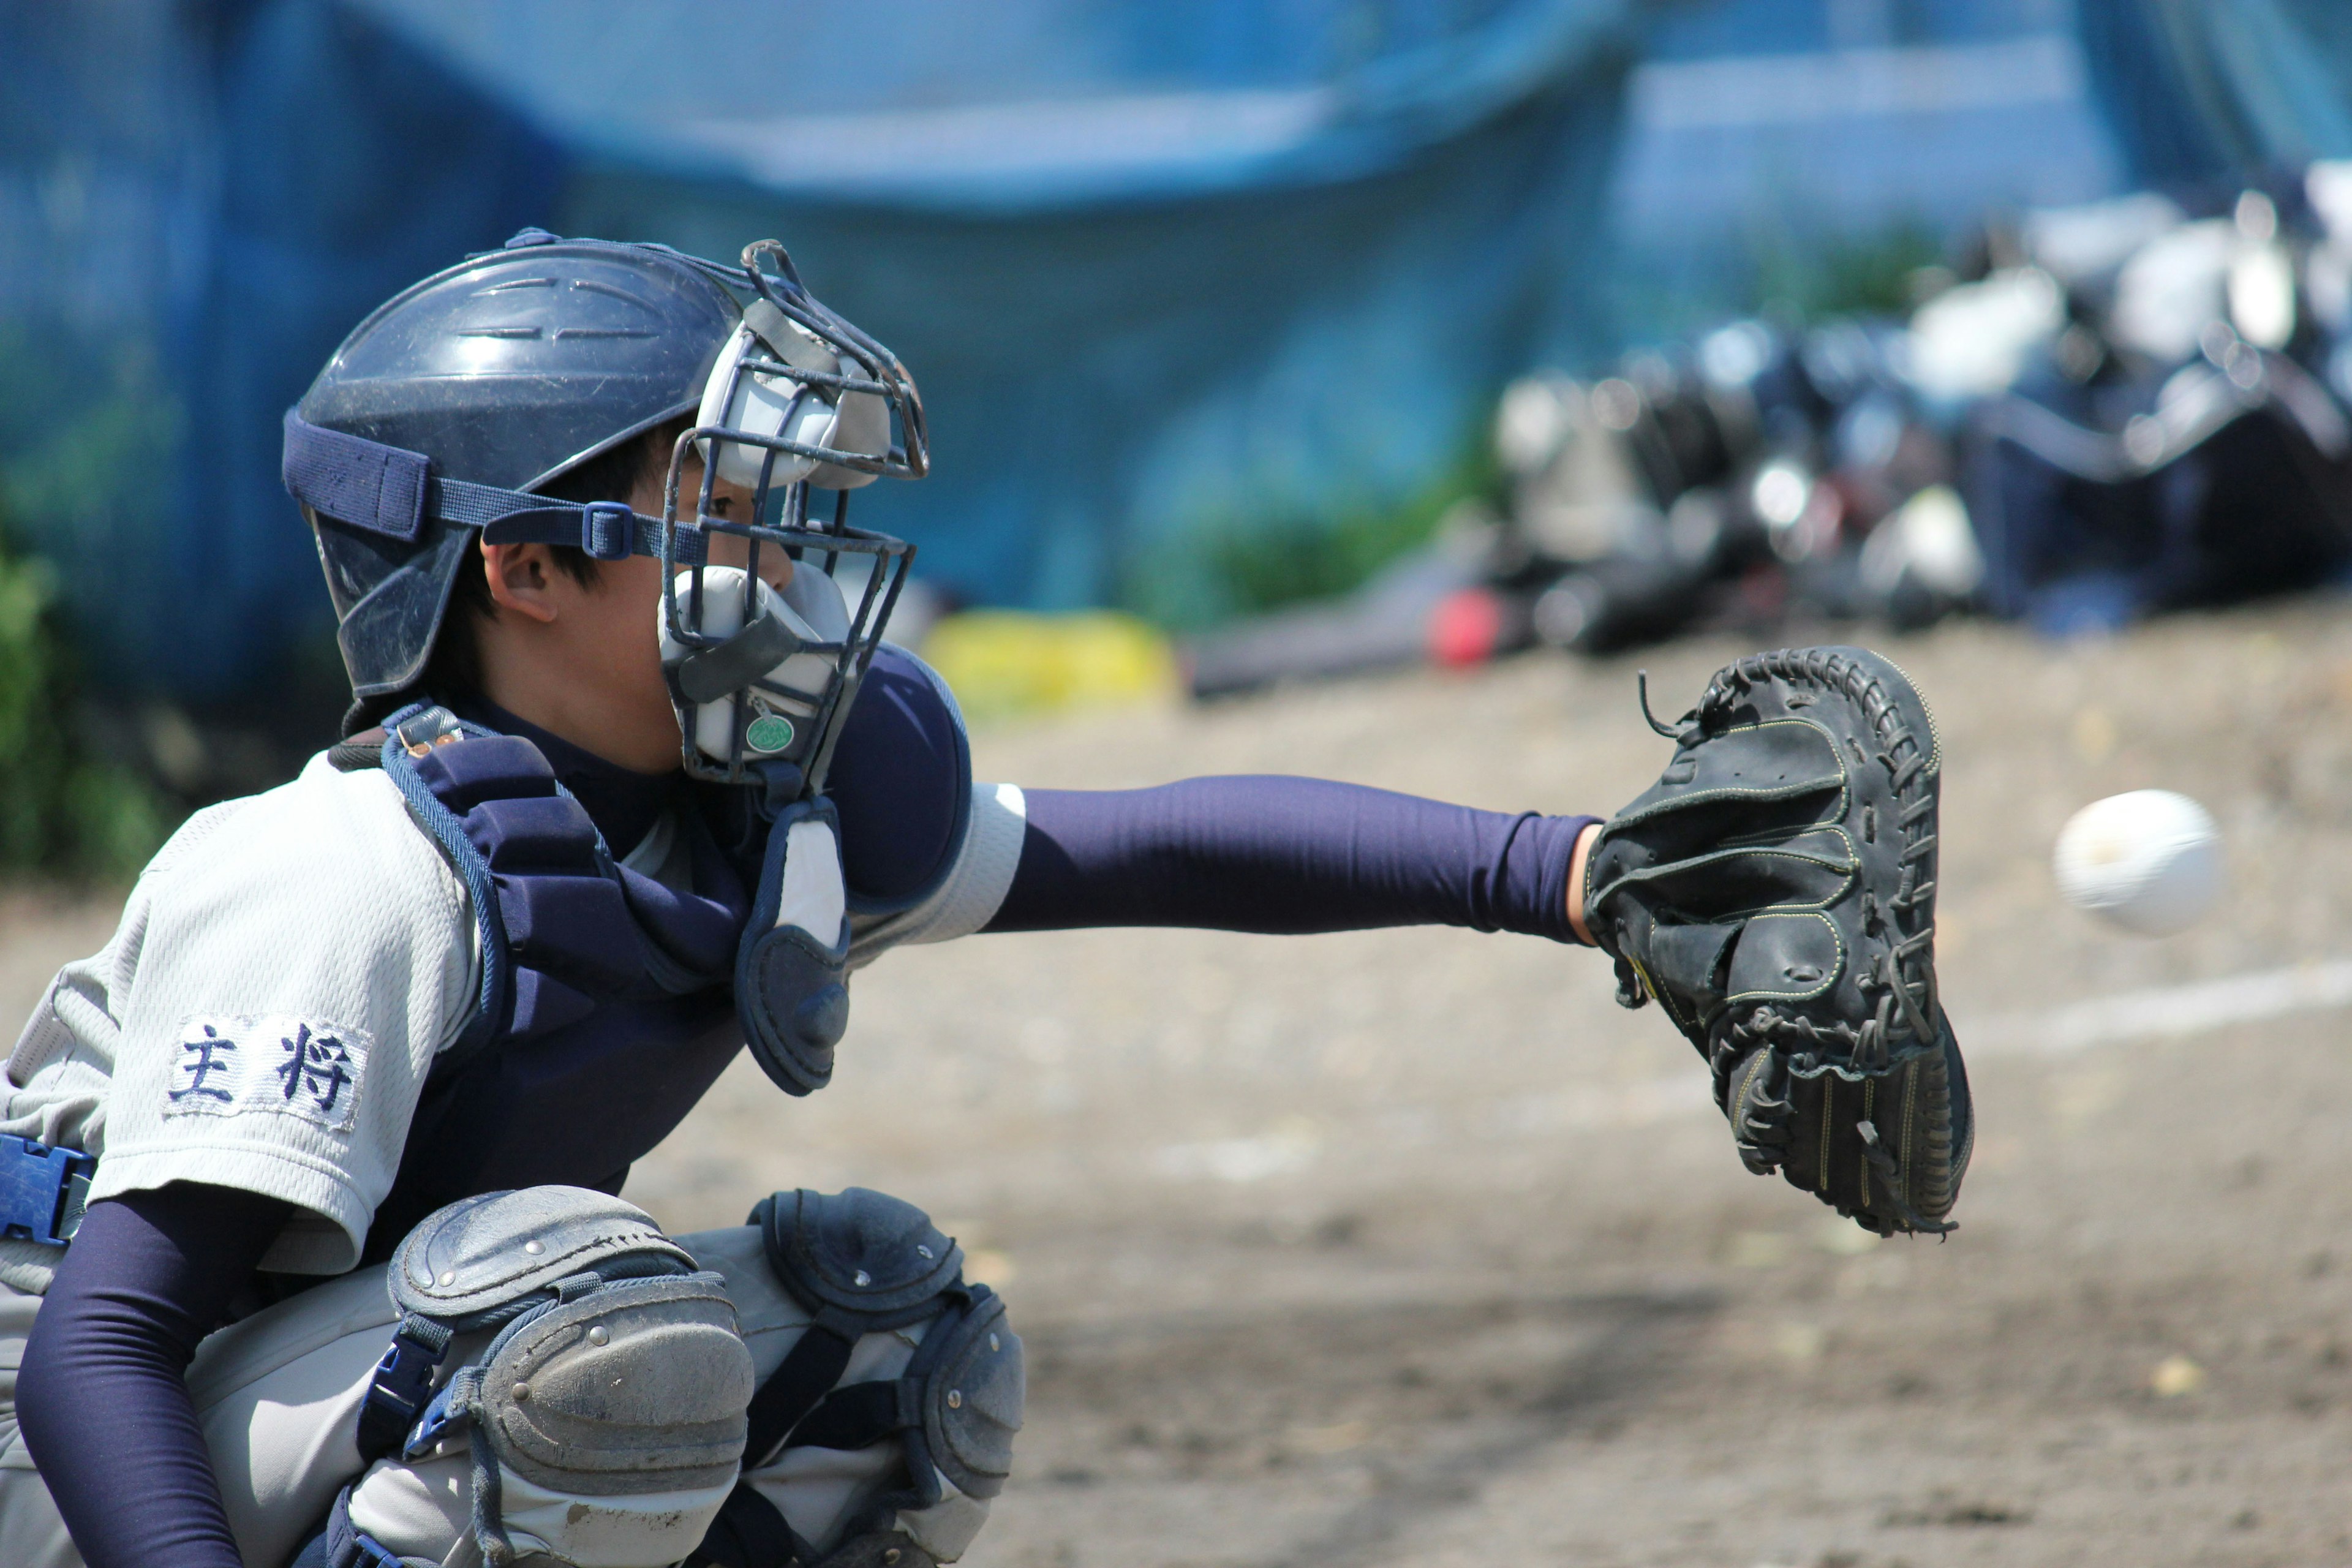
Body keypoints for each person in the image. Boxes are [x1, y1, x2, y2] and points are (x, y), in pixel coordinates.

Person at [0, 232, 1968, 1568]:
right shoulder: (341, 874)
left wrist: (1566, 880)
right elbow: (103, 1354)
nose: (777, 553)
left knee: (886, 1347)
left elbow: (1156, 845)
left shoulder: (746, 790)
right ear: (522, 573)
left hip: (298, 1385)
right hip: (69, 1433)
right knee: (578, 1336)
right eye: (723, 502)